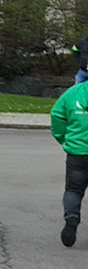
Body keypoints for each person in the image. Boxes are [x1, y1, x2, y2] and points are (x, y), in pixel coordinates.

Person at [50, 72, 88, 246]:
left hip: (78, 152)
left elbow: (57, 115)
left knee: (74, 189)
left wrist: (64, 138)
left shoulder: (73, 93)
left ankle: (71, 219)